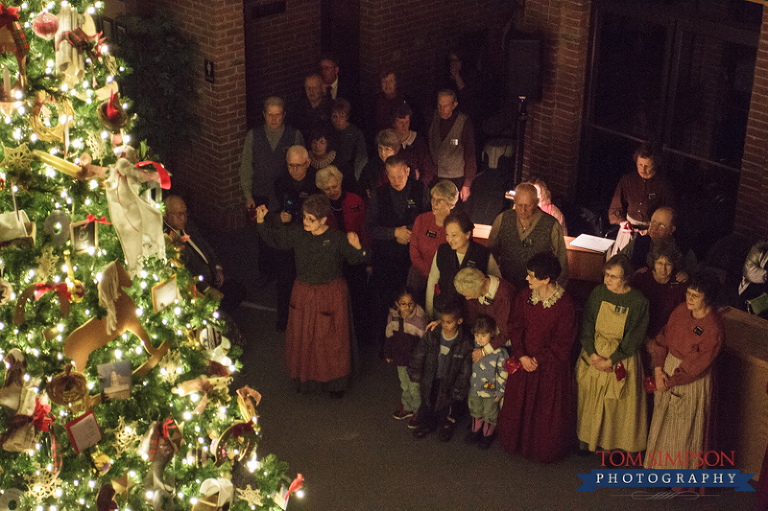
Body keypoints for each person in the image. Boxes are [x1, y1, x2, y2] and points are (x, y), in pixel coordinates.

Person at [254, 194, 367, 397]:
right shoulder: (299, 234)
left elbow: (356, 259)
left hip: (330, 295)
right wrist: (261, 221)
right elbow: (276, 239)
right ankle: (307, 379)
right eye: (305, 217)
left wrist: (359, 248)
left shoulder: (336, 238)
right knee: (304, 338)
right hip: (304, 293)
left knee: (331, 341)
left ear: (324, 220)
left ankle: (335, 383)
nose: (306, 222)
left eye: (311, 219)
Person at [497, 252, 578, 463]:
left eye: (532, 276)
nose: (527, 279)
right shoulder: (525, 296)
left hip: (549, 368)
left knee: (544, 412)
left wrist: (537, 360)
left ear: (546, 279)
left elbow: (562, 343)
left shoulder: (565, 304)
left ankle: (541, 448)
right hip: (524, 361)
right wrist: (522, 356)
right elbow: (515, 326)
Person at [644, 272, 723, 476]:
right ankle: (656, 467)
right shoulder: (680, 310)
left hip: (690, 379)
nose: (689, 298)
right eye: (688, 293)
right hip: (668, 369)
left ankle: (677, 476)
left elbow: (696, 365)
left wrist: (670, 381)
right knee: (662, 419)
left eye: (695, 296)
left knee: (683, 428)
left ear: (708, 299)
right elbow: (663, 338)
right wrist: (659, 368)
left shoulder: (713, 328)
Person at [576, 254, 649, 454]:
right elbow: (588, 323)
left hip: (621, 357)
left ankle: (611, 447)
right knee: (590, 400)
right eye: (606, 274)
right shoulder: (598, 293)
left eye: (613, 277)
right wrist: (592, 355)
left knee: (615, 406)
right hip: (595, 353)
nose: (607, 280)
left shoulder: (637, 301)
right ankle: (587, 441)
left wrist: (612, 359)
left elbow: (634, 336)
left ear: (625, 279)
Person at [367, 154, 431, 342]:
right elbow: (370, 228)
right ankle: (386, 342)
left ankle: (413, 343)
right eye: (391, 176)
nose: (396, 181)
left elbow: (429, 222)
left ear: (407, 171)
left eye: (399, 176)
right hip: (385, 260)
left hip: (413, 260)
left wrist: (409, 233)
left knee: (414, 302)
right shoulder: (378, 193)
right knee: (385, 303)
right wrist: (394, 233)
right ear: (386, 173)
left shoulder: (421, 190)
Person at [163, 196, 243, 314]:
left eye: (185, 213)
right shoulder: (168, 239)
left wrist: (218, 268)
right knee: (226, 300)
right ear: (166, 215)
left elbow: (206, 247)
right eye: (179, 214)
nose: (183, 218)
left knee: (238, 289)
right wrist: (207, 289)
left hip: (212, 276)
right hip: (199, 288)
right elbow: (185, 271)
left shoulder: (188, 226)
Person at [408, 300, 473, 441]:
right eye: (443, 321)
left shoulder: (464, 344)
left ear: (459, 321)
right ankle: (427, 423)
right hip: (431, 376)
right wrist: (415, 372)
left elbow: (465, 371)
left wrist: (459, 390)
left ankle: (446, 426)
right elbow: (419, 353)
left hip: (450, 381)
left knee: (448, 406)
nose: (445, 325)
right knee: (428, 400)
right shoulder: (433, 335)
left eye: (449, 322)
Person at [270, 145, 319, 330]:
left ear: (308, 163)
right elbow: (271, 213)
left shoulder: (317, 182)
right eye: (290, 165)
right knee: (285, 279)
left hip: (309, 240)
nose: (294, 170)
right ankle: (284, 318)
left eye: (299, 165)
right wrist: (279, 217)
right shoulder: (280, 182)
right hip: (288, 239)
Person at [487, 182, 569, 289]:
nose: (523, 210)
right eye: (519, 205)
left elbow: (562, 263)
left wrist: (554, 293)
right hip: (506, 286)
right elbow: (490, 255)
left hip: (538, 290)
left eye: (528, 205)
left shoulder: (551, 225)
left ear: (536, 203)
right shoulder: (503, 219)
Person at [426, 210, 501, 318]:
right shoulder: (442, 251)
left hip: (472, 315)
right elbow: (432, 280)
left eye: (454, 235)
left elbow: (497, 282)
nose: (449, 239)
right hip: (444, 313)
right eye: (447, 234)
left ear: (467, 234)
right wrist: (429, 313)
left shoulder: (483, 254)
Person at [608, 142, 674, 256]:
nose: (643, 169)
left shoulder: (663, 186)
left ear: (655, 164)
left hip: (652, 235)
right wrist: (622, 222)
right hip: (628, 233)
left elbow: (669, 214)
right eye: (640, 164)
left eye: (647, 165)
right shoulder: (627, 180)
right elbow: (615, 208)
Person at [239, 96, 304, 210]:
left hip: (286, 195)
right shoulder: (253, 135)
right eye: (270, 114)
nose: (273, 119)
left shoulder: (294, 135)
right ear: (264, 114)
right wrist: (248, 196)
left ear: (283, 115)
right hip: (260, 194)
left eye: (277, 115)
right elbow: (246, 166)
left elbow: (301, 168)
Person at [408, 180, 459, 303]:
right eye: (433, 198)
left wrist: (437, 277)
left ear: (451, 204)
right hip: (418, 274)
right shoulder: (421, 219)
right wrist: (428, 273)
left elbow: (459, 258)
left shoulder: (459, 225)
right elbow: (414, 252)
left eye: (439, 200)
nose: (434, 203)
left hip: (445, 278)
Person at [384, 287, 426, 429]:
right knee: (404, 384)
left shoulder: (419, 319)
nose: (408, 307)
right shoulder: (393, 317)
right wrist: (388, 353)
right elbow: (389, 337)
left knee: (415, 387)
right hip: (400, 359)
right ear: (397, 304)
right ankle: (407, 407)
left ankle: (418, 411)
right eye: (403, 303)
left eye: (411, 303)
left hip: (415, 361)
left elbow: (424, 342)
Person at [465, 315, 508, 449]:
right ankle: (475, 430)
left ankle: (487, 434)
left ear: (492, 333)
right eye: (477, 335)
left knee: (490, 413)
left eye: (483, 335)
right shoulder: (474, 346)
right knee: (475, 410)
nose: (479, 339)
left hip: (490, 391)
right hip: (475, 388)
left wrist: (500, 391)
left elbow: (503, 373)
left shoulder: (499, 352)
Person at [453, 267, 515, 359]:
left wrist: (484, 351)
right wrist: (452, 321)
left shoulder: (504, 297)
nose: (467, 298)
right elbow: (468, 316)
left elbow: (506, 333)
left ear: (478, 289)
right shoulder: (475, 291)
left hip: (503, 343)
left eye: (468, 295)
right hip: (483, 336)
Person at [631, 239, 686, 340]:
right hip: (639, 335)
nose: (664, 269)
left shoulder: (679, 284)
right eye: (660, 263)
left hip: (667, 337)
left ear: (674, 264)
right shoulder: (641, 279)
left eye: (668, 264)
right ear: (653, 262)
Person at [427, 89, 476, 201]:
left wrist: (467, 184)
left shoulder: (464, 123)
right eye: (439, 105)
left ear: (454, 105)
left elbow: (470, 155)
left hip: (455, 178)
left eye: (446, 106)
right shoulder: (432, 118)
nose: (442, 109)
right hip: (435, 176)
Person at [393, 103, 435, 186]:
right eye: (400, 122)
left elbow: (427, 169)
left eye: (407, 122)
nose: (404, 126)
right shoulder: (390, 141)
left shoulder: (418, 141)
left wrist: (419, 185)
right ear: (394, 123)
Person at [329, 98, 367, 187]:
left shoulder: (355, 133)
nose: (337, 120)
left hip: (349, 173)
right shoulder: (328, 131)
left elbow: (361, 158)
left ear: (347, 117)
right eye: (334, 116)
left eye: (341, 117)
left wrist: (357, 180)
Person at [358, 129, 401, 197]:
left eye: (387, 149)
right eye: (380, 148)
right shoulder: (369, 168)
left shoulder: (403, 166)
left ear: (395, 150)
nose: (383, 153)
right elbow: (361, 189)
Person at [294, 73, 333, 141]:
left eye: (314, 87)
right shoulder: (298, 108)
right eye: (308, 88)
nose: (311, 91)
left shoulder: (332, 106)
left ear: (321, 88)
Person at [373, 68, 408, 134]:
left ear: (396, 83)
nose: (387, 85)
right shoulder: (376, 100)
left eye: (391, 81)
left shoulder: (403, 100)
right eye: (384, 82)